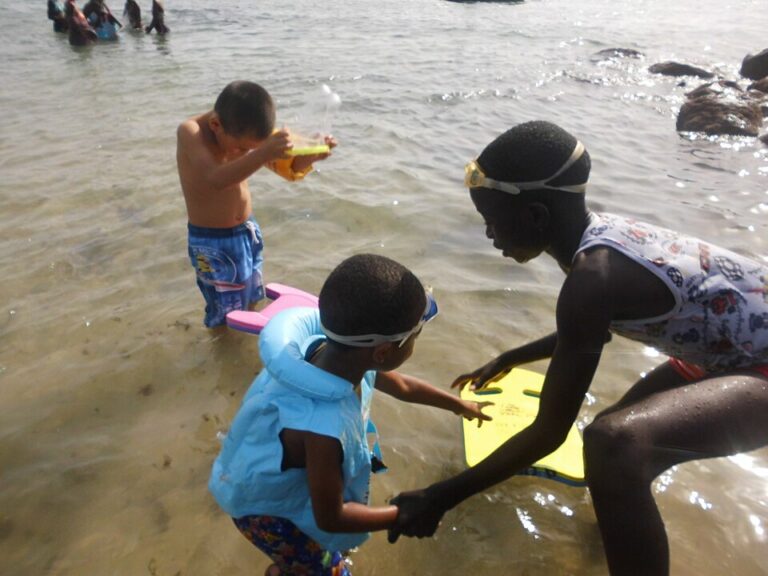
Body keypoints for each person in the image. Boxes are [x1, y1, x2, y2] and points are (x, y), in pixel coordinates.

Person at [389, 120, 768, 575]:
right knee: (620, 437)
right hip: (725, 352)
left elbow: (550, 432)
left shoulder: (592, 279)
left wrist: (439, 497)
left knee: (614, 444)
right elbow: (587, 332)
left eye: (492, 223)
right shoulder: (599, 239)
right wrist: (510, 358)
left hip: (753, 362)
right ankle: (611, 544)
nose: (490, 236)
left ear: (535, 217)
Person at [209, 253, 493, 576]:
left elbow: (403, 387)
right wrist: (401, 513)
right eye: (415, 336)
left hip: (270, 474)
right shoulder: (322, 430)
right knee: (321, 569)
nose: (416, 342)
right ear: (384, 352)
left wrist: (458, 405)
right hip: (264, 514)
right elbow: (331, 517)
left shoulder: (335, 357)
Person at [177, 80, 336, 328]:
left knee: (252, 299)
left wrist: (311, 156)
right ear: (215, 125)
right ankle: (223, 357)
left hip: (247, 233)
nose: (246, 152)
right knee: (225, 311)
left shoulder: (245, 135)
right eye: (242, 149)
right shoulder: (190, 132)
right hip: (212, 243)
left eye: (252, 149)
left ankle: (245, 349)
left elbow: (289, 169)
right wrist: (262, 153)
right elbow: (216, 179)